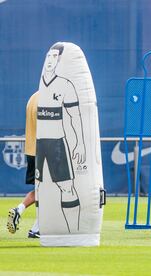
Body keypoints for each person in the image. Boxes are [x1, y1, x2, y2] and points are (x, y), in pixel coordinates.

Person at [36, 43, 86, 233]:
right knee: (39, 188)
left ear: (59, 61)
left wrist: (80, 143)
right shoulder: (40, 84)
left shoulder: (65, 85)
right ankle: (39, 227)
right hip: (40, 143)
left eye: (54, 56)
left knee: (66, 187)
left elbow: (76, 116)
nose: (50, 60)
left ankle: (74, 232)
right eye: (48, 55)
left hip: (57, 143)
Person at [7, 91, 40, 238]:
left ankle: (20, 210)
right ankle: (37, 228)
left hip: (31, 150)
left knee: (41, 189)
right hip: (45, 151)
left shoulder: (33, 97)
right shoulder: (49, 97)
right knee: (52, 190)